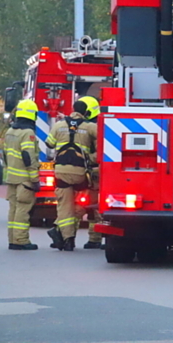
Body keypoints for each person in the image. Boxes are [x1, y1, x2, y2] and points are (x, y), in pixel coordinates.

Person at [45, 98, 98, 251]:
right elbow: (105, 139)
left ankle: (68, 240)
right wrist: (91, 157)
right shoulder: (90, 127)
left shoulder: (59, 125)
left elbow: (49, 144)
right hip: (80, 174)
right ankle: (59, 231)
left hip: (61, 173)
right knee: (81, 203)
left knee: (64, 207)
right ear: (86, 112)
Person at [3, 99, 41, 251]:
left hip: (12, 177)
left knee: (13, 210)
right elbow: (28, 156)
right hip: (24, 179)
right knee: (23, 210)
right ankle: (21, 240)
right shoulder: (28, 133)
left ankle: (12, 239)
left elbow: (5, 154)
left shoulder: (10, 131)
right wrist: (35, 179)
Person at [77, 96, 103, 250]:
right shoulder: (92, 127)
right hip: (92, 172)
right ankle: (94, 238)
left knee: (89, 205)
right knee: (93, 206)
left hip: (91, 172)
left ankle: (94, 238)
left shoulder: (91, 128)